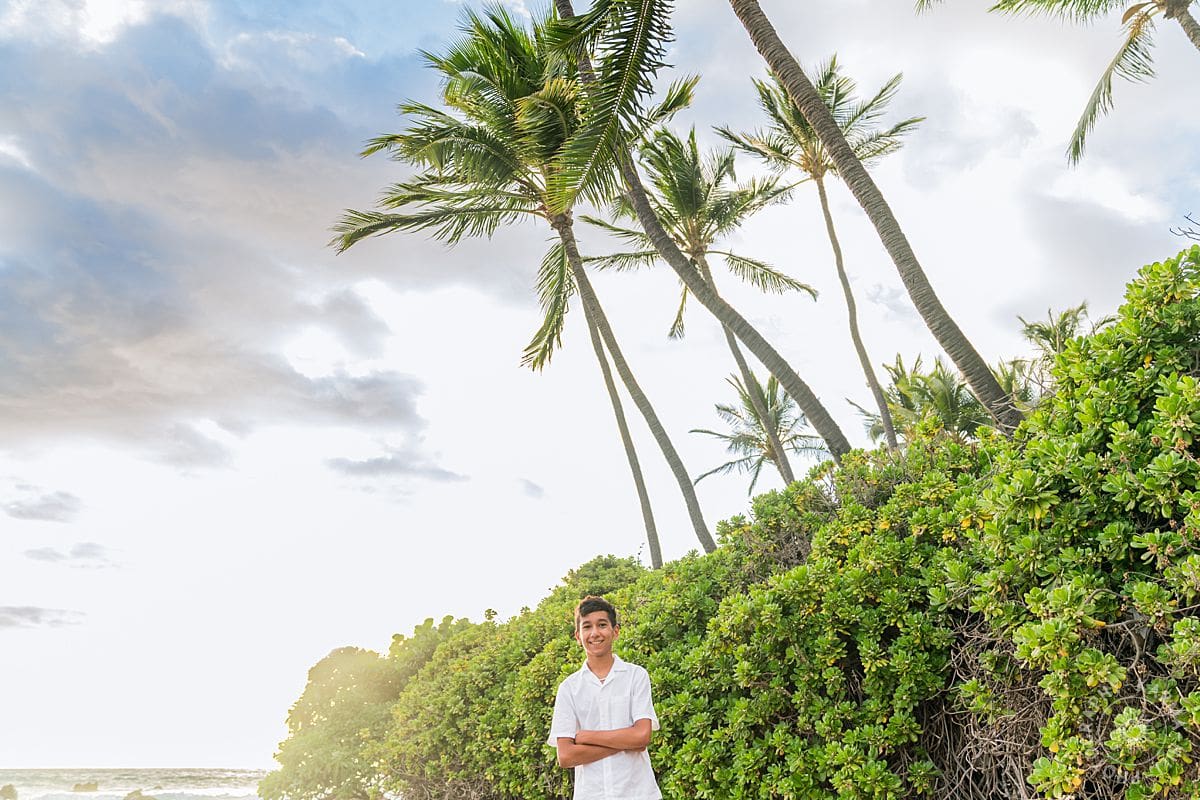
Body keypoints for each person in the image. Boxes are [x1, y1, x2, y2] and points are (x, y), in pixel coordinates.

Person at [547, 595, 662, 800]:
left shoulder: (636, 676)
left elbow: (642, 737)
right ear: (578, 636)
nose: (594, 633)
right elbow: (566, 756)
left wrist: (585, 737)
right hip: (591, 794)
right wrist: (627, 742)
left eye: (602, 625)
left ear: (615, 631)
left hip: (639, 793)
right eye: (587, 626)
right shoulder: (569, 689)